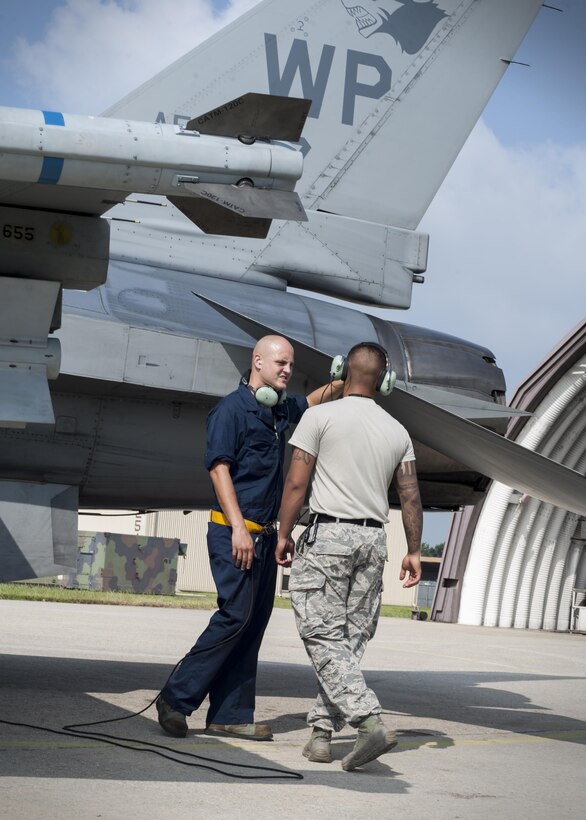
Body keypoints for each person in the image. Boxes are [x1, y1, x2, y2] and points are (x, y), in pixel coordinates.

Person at [156, 335, 343, 741]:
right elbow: (219, 469)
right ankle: (175, 698)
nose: (287, 371)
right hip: (233, 532)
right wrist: (240, 527)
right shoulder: (231, 410)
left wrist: (343, 380)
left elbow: (310, 402)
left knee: (253, 623)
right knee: (234, 616)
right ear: (257, 361)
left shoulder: (277, 409)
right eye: (280, 363)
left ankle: (230, 714)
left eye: (290, 365)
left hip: (266, 537)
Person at [276, 341, 423, 770]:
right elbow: (410, 498)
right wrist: (413, 551)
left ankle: (368, 720)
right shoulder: (398, 430)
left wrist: (284, 533)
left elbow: (296, 485)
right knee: (349, 639)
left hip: (328, 537)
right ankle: (321, 733)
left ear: (341, 371)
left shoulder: (318, 416)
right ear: (385, 380)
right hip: (374, 540)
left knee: (321, 635)